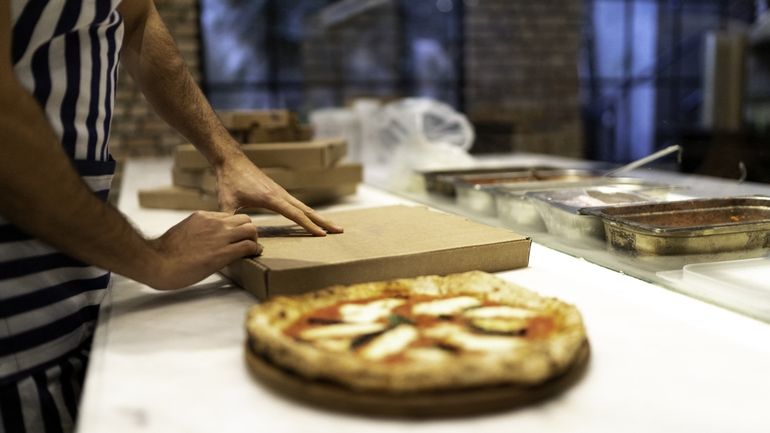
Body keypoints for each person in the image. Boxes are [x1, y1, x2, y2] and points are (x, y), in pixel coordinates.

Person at [0, 1, 342, 432]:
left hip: (79, 282)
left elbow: (136, 15)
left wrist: (227, 157)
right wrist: (154, 258)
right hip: (17, 332)